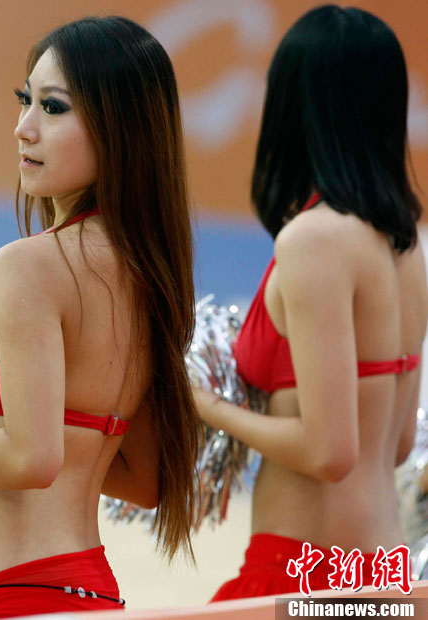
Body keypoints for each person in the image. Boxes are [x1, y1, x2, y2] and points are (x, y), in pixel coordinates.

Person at [0, 17, 201, 619]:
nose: (24, 127)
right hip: (90, 591)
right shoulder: (151, 275)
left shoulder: (29, 267)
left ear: (120, 129)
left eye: (53, 108)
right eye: (25, 100)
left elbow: (30, 460)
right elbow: (146, 480)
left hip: (13, 596)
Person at [195, 5, 426, 600]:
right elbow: (396, 444)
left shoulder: (315, 240)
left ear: (296, 104)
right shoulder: (405, 245)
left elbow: (328, 452)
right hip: (384, 570)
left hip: (303, 570)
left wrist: (207, 406)